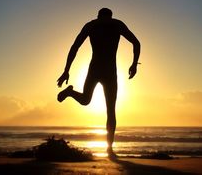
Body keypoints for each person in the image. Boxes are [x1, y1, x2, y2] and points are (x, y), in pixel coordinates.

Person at [57, 8, 140, 157]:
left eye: (107, 20)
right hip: (95, 70)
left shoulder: (116, 25)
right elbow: (75, 47)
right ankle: (70, 92)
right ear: (99, 17)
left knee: (110, 110)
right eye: (103, 20)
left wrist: (134, 64)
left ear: (110, 18)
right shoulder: (92, 25)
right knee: (85, 101)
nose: (104, 23)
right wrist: (66, 70)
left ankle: (109, 148)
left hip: (110, 73)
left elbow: (136, 43)